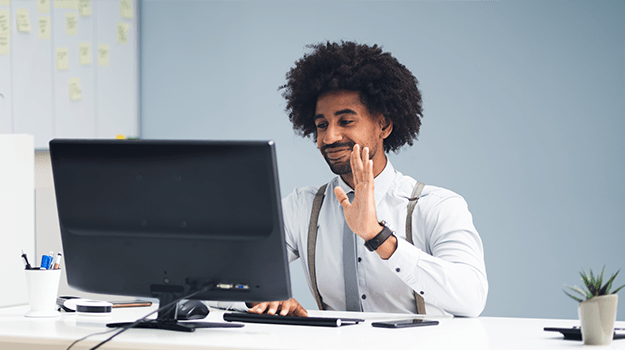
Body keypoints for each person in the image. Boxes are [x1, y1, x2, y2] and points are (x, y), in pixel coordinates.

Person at [248, 41, 488, 317]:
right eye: (321, 125)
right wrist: (263, 298)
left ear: (383, 125)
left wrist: (377, 235)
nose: (329, 137)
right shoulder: (302, 207)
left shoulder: (437, 206)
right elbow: (222, 280)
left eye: (346, 121)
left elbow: (471, 298)